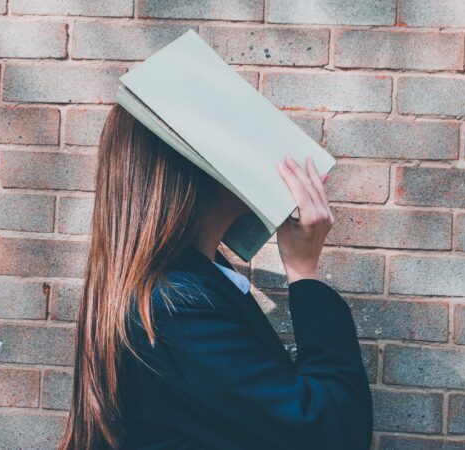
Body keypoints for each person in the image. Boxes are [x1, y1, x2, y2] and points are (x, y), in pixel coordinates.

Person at [60, 104, 373, 450]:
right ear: (190, 168)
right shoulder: (176, 308)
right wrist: (304, 272)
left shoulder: (188, 289)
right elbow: (333, 430)